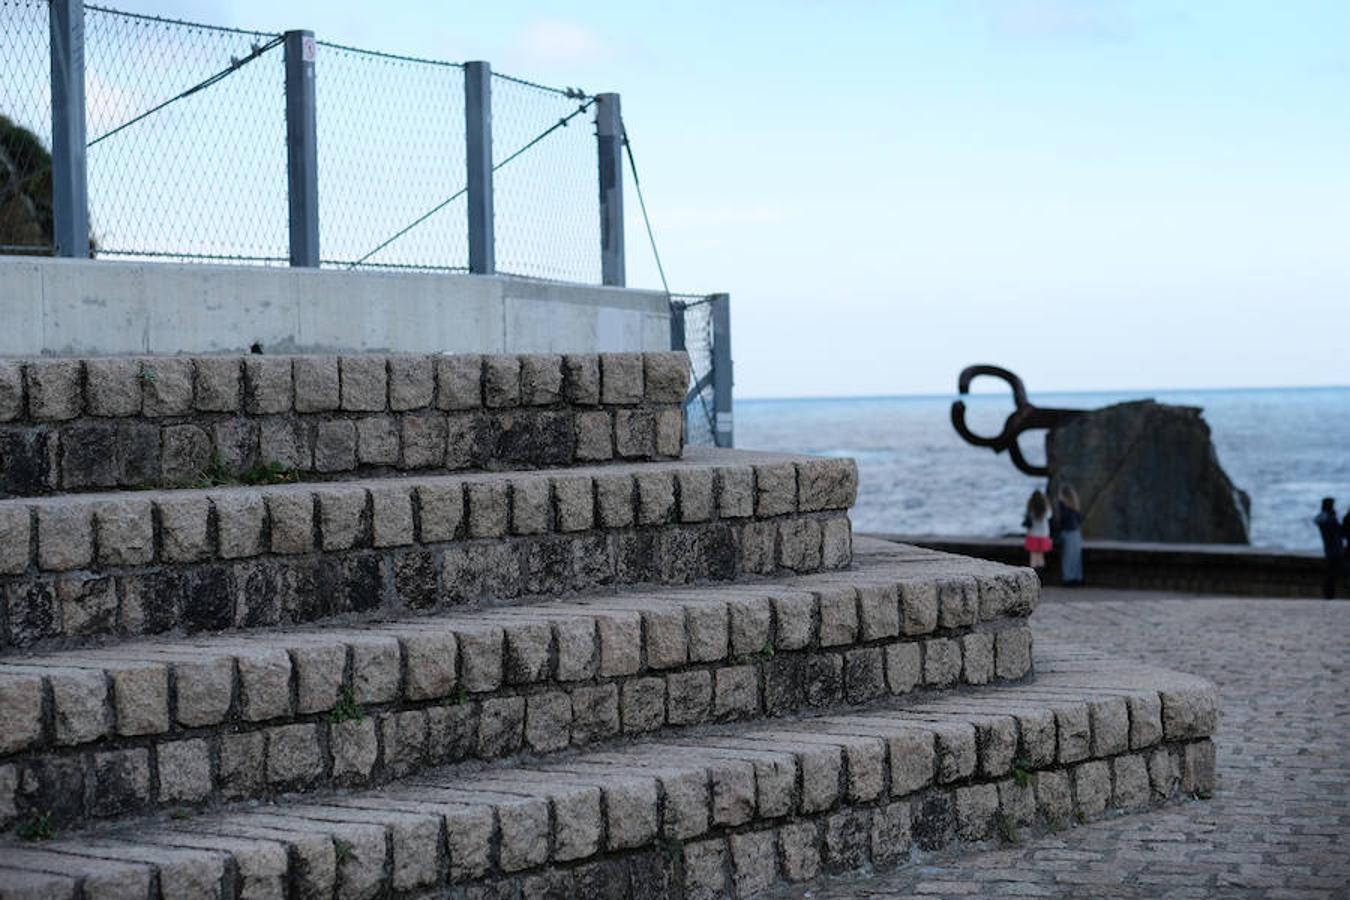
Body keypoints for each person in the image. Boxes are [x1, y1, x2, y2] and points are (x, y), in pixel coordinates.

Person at [1314, 497, 1344, 600]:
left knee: (1332, 572)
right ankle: (1329, 594)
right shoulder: (1328, 518)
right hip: (1334, 549)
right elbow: (1340, 531)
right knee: (1332, 573)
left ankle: (1329, 593)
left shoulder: (1328, 517)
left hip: (1333, 548)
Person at [1056, 484, 1084, 585]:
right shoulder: (1075, 505)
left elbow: (1062, 521)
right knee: (1076, 558)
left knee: (1067, 558)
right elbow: (1079, 519)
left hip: (1068, 532)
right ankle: (1077, 578)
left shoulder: (1062, 505)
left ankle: (1068, 578)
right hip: (1076, 533)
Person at [1023, 489, 1053, 576]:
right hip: (1043, 535)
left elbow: (1026, 517)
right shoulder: (1045, 508)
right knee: (1040, 556)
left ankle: (1033, 576)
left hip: (1032, 534)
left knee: (1033, 556)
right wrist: (1047, 503)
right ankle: (1042, 576)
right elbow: (1050, 515)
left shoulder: (1030, 508)